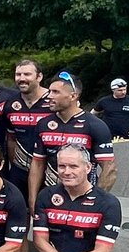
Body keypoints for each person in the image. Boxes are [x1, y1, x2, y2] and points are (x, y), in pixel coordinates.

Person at [29, 71, 116, 208]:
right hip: (51, 198)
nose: (49, 96)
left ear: (73, 96)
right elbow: (37, 164)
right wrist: (33, 200)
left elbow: (109, 169)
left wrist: (95, 200)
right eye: (50, 91)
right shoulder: (43, 124)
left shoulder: (94, 125)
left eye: (55, 92)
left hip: (83, 199)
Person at [2, 58, 52, 202]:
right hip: (20, 170)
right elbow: (11, 138)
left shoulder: (54, 101)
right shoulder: (11, 104)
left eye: (27, 75)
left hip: (49, 170)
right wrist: (17, 164)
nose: (22, 79)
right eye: (18, 75)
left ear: (39, 77)